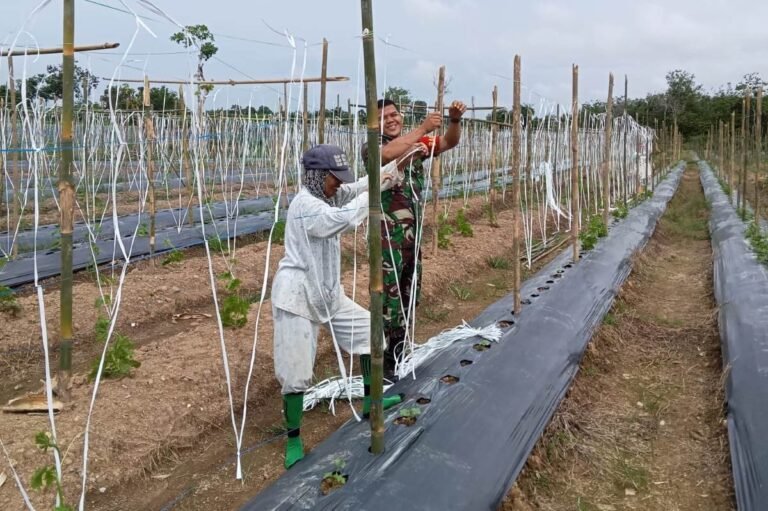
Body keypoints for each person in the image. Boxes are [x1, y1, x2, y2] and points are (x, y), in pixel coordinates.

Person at [271, 144, 403, 469]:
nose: (338, 184)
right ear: (317, 177)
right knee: (296, 372)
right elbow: (344, 219)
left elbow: (356, 188)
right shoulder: (307, 207)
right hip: (298, 298)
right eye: (333, 178)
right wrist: (375, 191)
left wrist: (389, 171)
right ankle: (294, 440)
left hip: (328, 294)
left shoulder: (327, 195)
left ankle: (373, 403)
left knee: (369, 331)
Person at [370, 98, 467, 377]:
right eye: (384, 116)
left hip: (412, 238)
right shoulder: (372, 147)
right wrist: (424, 127)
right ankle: (384, 362)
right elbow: (387, 154)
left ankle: (401, 351)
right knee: (387, 298)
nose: (391, 119)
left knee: (407, 293)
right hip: (386, 238)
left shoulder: (416, 145)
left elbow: (449, 142)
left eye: (394, 114)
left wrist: (454, 121)